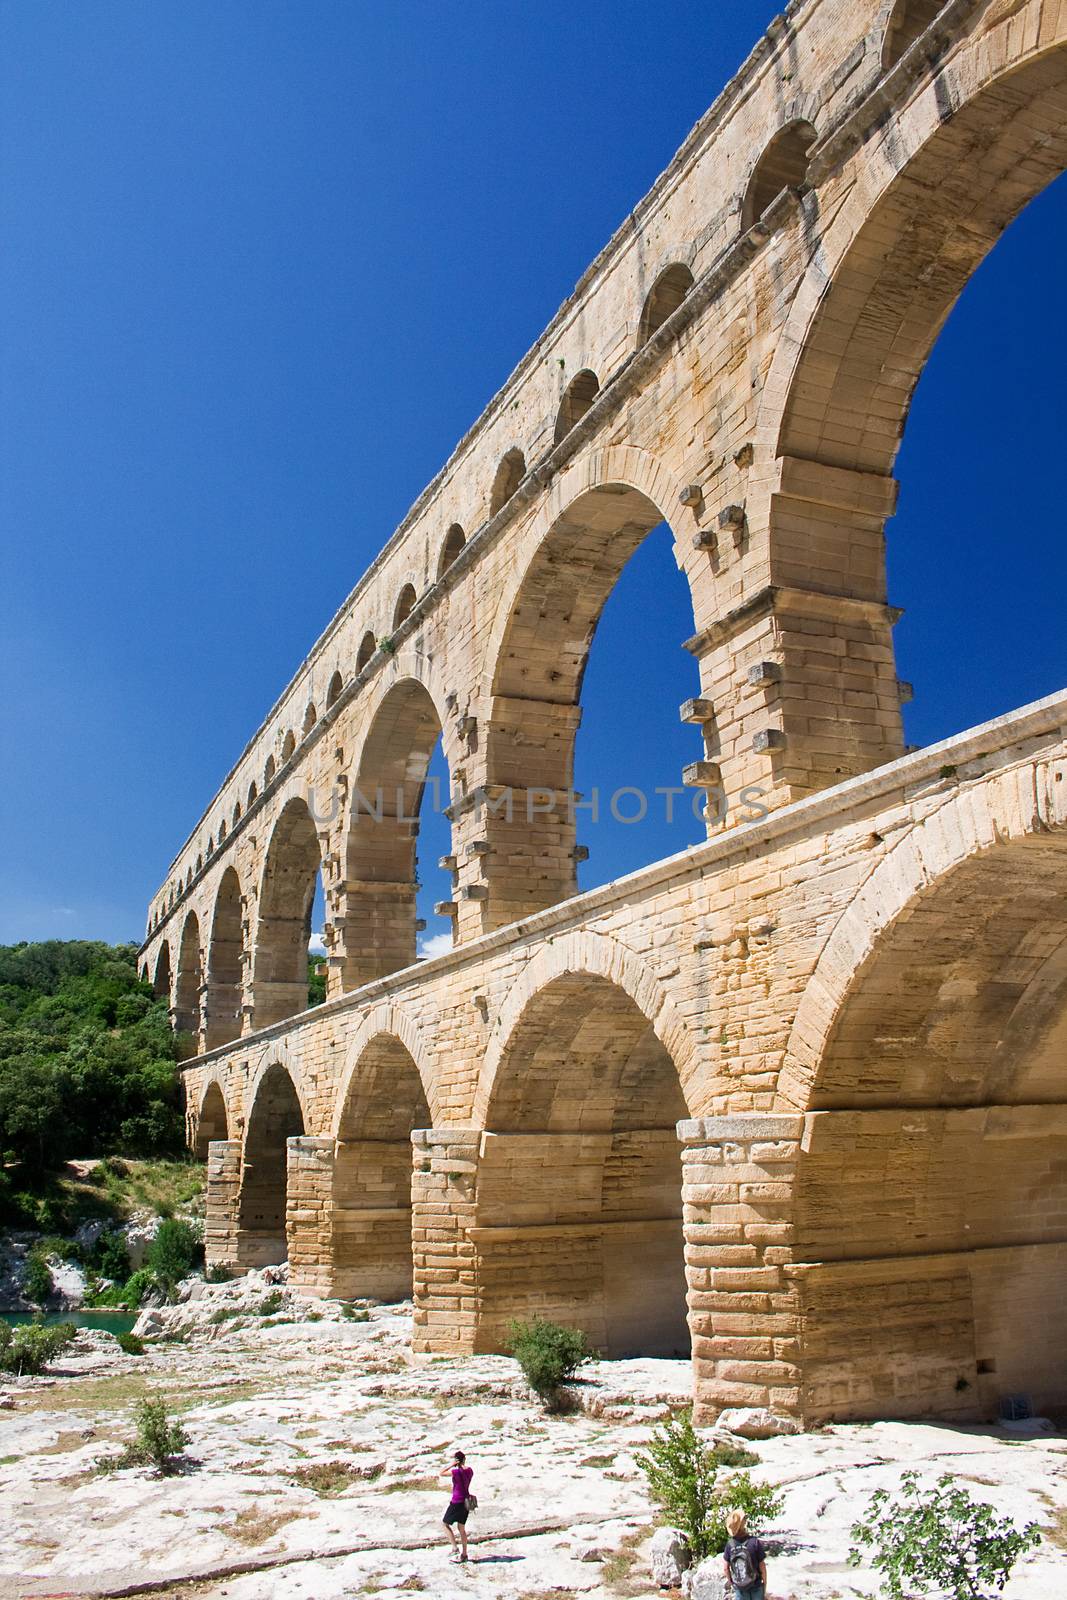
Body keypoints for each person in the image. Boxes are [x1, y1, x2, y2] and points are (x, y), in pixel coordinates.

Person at [722, 1507, 767, 1599]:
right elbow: (762, 1566)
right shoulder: (754, 1542)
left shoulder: (729, 1545)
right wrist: (764, 1583)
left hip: (740, 1588)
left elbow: (726, 1568)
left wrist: (731, 1582)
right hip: (756, 1585)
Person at [441, 1448, 474, 1563]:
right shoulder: (470, 1471)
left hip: (456, 1501)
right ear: (464, 1459)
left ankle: (455, 1548)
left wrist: (451, 1465)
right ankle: (464, 1554)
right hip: (466, 1501)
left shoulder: (455, 1472)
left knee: (445, 1524)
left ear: (456, 1461)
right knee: (462, 1529)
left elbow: (441, 1472)